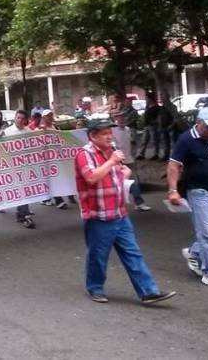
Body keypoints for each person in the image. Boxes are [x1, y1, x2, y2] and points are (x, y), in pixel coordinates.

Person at [75, 120, 176, 304]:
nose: (109, 136)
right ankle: (95, 288)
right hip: (99, 215)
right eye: (104, 133)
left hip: (120, 213)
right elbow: (91, 177)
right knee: (98, 256)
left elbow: (118, 173)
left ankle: (148, 291)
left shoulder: (111, 152)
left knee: (133, 253)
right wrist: (112, 162)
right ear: (92, 136)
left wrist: (123, 171)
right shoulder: (84, 154)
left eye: (109, 132)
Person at [167, 107, 208, 289]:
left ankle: (193, 252)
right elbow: (174, 166)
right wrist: (173, 190)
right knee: (207, 233)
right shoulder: (186, 140)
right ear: (198, 123)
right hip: (199, 191)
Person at [111, 111, 151, 212]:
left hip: (129, 160)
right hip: (117, 161)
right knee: (116, 183)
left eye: (123, 117)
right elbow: (112, 146)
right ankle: (115, 205)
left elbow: (132, 143)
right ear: (115, 118)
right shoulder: (112, 130)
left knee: (134, 182)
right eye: (119, 117)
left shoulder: (128, 129)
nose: (122, 119)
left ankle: (139, 203)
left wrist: (133, 154)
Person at [3, 109, 36, 229]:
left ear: (26, 120)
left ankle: (20, 213)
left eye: (23, 118)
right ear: (14, 118)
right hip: (13, 166)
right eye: (18, 118)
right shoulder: (7, 132)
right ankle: (25, 215)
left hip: (26, 166)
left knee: (24, 190)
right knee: (21, 189)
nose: (20, 120)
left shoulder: (29, 131)